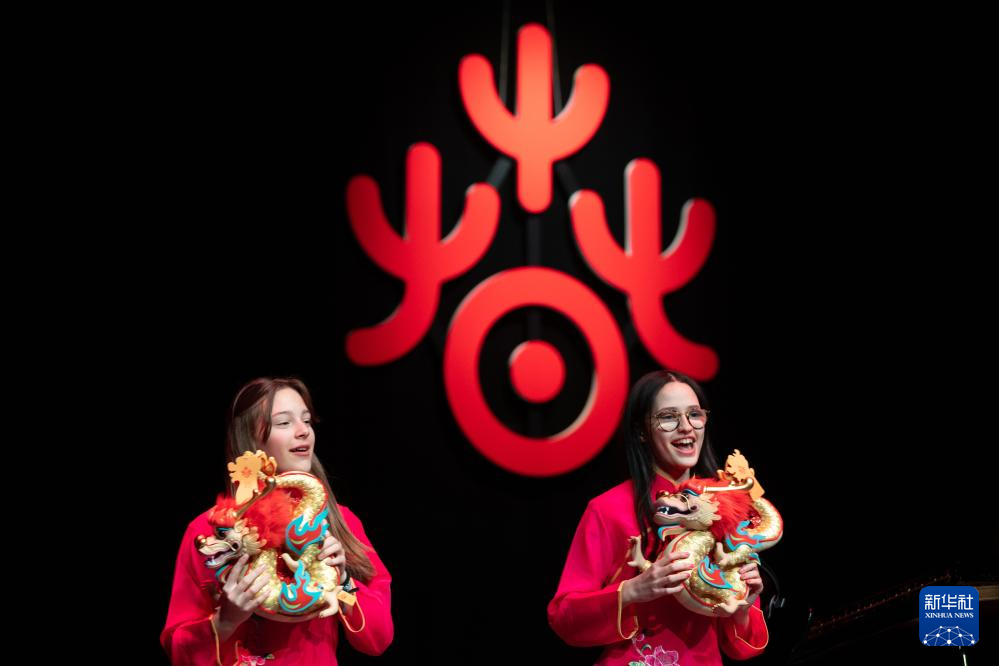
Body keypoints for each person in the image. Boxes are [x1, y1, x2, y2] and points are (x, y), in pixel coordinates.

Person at [161, 377, 393, 665]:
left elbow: (378, 639)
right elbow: (180, 653)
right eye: (284, 423)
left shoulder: (337, 521)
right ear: (250, 438)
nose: (303, 431)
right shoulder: (212, 531)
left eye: (306, 420)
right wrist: (226, 620)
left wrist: (343, 581)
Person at [548, 370, 768, 664]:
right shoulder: (608, 509)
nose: (686, 427)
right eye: (668, 417)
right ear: (642, 431)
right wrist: (633, 590)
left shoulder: (723, 506)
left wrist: (743, 607)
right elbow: (564, 617)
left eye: (694, 415)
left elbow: (743, 647)